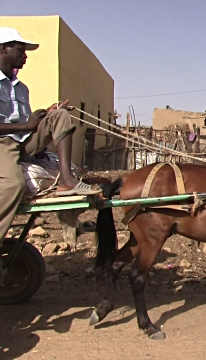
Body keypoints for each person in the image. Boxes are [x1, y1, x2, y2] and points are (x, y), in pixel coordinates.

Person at [0, 27, 100, 280]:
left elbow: (27, 123)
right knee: (13, 184)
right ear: (3, 49)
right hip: (3, 143)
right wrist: (25, 126)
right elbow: (21, 125)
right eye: (21, 51)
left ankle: (67, 180)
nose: (25, 56)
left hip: (23, 141)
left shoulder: (20, 88)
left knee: (59, 116)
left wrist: (46, 114)